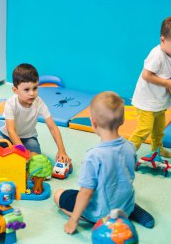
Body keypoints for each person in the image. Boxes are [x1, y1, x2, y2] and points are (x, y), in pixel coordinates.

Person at [53, 92, 154, 234]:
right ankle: (132, 211)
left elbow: (86, 193)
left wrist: (73, 220)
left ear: (93, 123)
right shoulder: (130, 147)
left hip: (102, 213)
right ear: (123, 120)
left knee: (58, 195)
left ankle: (100, 220)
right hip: (126, 204)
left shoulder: (93, 156)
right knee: (118, 190)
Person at [0, 63, 70, 164]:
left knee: (35, 158)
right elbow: (11, 131)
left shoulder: (39, 102)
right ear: (15, 90)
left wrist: (62, 151)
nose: (32, 93)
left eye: (35, 88)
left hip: (28, 138)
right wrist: (23, 152)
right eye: (27, 89)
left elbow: (52, 127)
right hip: (7, 136)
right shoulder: (10, 103)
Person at [129, 16, 171, 157]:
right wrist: (167, 83)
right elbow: (147, 75)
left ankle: (157, 150)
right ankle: (126, 153)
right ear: (162, 40)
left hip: (160, 101)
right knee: (144, 128)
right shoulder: (157, 55)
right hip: (146, 102)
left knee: (159, 130)